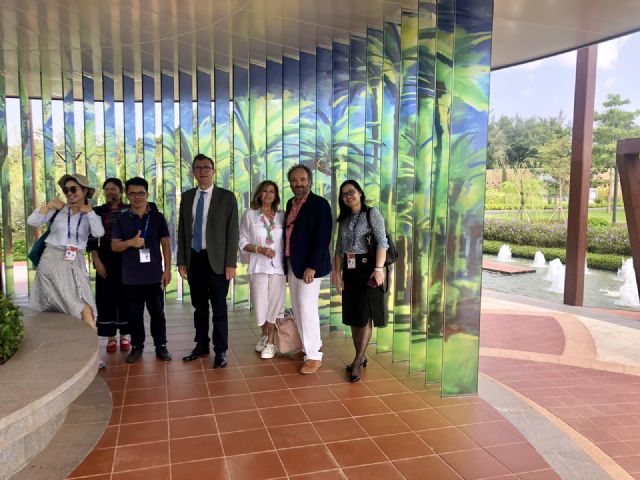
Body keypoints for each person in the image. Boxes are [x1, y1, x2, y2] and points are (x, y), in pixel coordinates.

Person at [178, 153, 239, 369]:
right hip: (194, 259)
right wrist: (181, 261)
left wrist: (231, 263)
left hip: (219, 262)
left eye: (206, 167)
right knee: (199, 307)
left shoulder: (226, 197)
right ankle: (201, 345)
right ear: (193, 172)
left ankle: (220, 351)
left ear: (213, 171)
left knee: (219, 307)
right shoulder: (187, 197)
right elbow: (182, 231)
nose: (202, 171)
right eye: (198, 168)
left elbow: (233, 232)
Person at [27, 174, 105, 328]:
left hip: (76, 259)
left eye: (73, 189)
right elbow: (32, 221)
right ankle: (77, 338)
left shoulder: (91, 214)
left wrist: (89, 213)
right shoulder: (58, 210)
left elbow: (98, 233)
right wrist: (48, 206)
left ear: (84, 191)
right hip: (52, 259)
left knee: (84, 303)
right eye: (66, 190)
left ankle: (86, 340)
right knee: (67, 304)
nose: (69, 193)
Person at [111, 177, 172, 363]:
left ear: (147, 194)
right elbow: (114, 246)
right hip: (131, 277)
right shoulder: (121, 218)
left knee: (158, 314)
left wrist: (167, 270)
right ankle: (137, 346)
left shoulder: (157, 217)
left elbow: (166, 244)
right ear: (127, 195)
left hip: (154, 275)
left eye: (141, 193)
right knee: (134, 315)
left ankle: (161, 346)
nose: (137, 197)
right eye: (132, 194)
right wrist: (131, 242)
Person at [333, 180, 388, 383]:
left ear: (360, 193)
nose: (348, 196)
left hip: (368, 270)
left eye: (351, 192)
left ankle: (357, 361)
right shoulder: (344, 219)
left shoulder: (372, 213)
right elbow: (339, 250)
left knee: (365, 316)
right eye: (344, 194)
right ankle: (361, 355)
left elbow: (382, 242)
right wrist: (337, 275)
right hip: (350, 271)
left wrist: (378, 269)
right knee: (354, 316)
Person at [284, 164, 332, 374]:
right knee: (297, 307)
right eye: (294, 180)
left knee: (307, 308)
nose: (298, 184)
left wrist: (312, 266)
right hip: (293, 264)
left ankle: (314, 356)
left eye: (302, 179)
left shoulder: (320, 204)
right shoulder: (290, 203)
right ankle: (307, 346)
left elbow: (323, 238)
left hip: (310, 268)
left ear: (310, 181)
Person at [239, 180, 286, 359]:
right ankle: (265, 334)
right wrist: (259, 249)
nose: (268, 194)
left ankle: (271, 342)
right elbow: (242, 240)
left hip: (278, 267)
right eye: (265, 191)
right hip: (258, 265)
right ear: (259, 194)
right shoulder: (249, 215)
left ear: (276, 196)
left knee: (275, 304)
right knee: (260, 304)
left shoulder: (282, 215)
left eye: (272, 191)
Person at [88, 178, 130, 353]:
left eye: (113, 189)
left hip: (126, 257)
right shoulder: (97, 211)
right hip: (105, 258)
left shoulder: (129, 209)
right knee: (106, 297)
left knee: (125, 296)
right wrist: (97, 261)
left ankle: (125, 335)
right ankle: (111, 336)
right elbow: (92, 239)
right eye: (107, 189)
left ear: (121, 191)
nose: (110, 192)